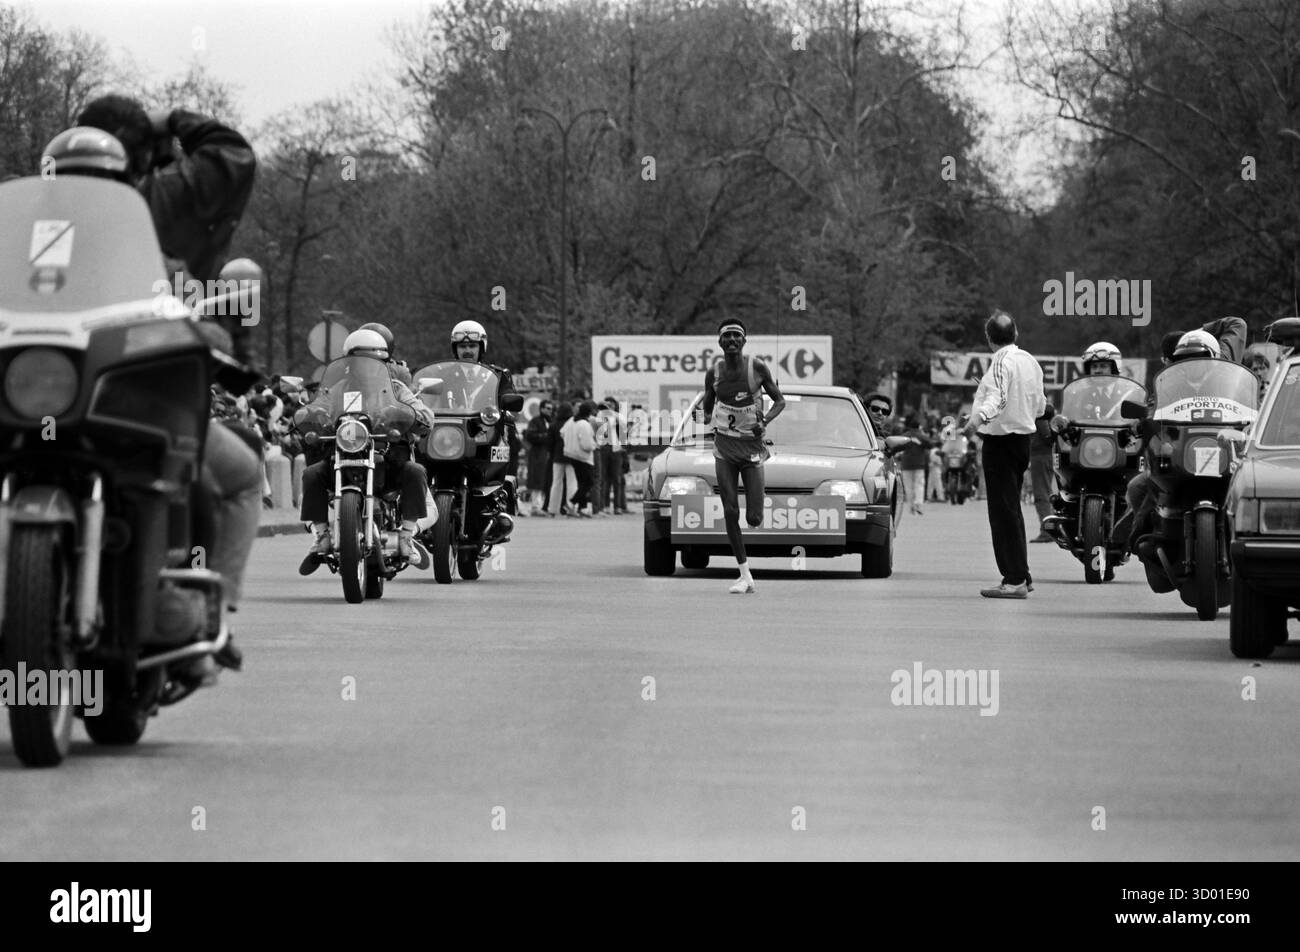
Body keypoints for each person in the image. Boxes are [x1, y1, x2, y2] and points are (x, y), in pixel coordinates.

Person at [54, 98, 259, 682]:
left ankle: (188, 618)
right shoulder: (143, 220)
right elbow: (232, 158)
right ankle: (209, 620)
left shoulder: (32, 228)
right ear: (135, 163)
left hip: (41, 402)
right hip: (125, 408)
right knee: (241, 476)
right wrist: (179, 121)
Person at [297, 329, 435, 574]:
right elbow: (319, 404)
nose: (367, 366)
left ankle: (405, 536)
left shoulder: (397, 389)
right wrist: (309, 413)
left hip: (387, 458)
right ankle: (321, 535)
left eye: (375, 361)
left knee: (415, 471)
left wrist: (405, 414)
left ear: (383, 362)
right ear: (350, 362)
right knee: (311, 474)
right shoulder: (337, 389)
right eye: (360, 360)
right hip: (343, 454)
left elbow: (423, 413)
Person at [1121, 318, 1249, 579]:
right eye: (1185, 360)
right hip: (1183, 458)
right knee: (1137, 487)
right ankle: (1151, 543)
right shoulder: (1170, 386)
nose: (1192, 365)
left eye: (1199, 359)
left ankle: (1253, 544)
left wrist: (1255, 418)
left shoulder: (1231, 377)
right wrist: (1144, 422)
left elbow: (1238, 325)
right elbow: (1152, 413)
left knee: (1253, 488)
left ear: (1213, 357)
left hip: (1226, 454)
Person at [964, 311, 1046, 598]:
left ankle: (1014, 579)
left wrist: (978, 419)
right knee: (1012, 509)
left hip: (1001, 441)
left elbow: (997, 397)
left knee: (1002, 512)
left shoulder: (1001, 361)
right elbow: (1039, 404)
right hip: (1022, 440)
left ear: (989, 338)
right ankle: (1021, 573)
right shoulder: (1030, 362)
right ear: (1016, 333)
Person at [702, 319, 786, 594]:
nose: (732, 341)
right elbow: (708, 398)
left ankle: (754, 517)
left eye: (737, 336)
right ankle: (744, 574)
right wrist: (707, 416)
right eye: (727, 337)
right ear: (720, 342)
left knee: (753, 518)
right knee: (729, 510)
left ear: (744, 341)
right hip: (724, 447)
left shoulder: (757, 367)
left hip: (750, 448)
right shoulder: (714, 371)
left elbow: (780, 400)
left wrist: (766, 420)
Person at [447, 319, 521, 515]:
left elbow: (508, 396)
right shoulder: (444, 374)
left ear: (481, 347)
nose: (468, 350)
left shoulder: (497, 375)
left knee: (510, 429)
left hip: (485, 433)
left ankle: (503, 492)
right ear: (456, 349)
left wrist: (505, 403)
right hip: (453, 435)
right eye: (463, 346)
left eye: (472, 345)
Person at [561, 402, 598, 516]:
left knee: (582, 483)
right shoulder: (584, 424)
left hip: (571, 455)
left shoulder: (572, 421)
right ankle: (572, 502)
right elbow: (587, 444)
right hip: (584, 457)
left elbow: (562, 433)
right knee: (589, 483)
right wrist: (594, 446)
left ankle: (582, 508)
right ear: (589, 412)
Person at [523, 399, 554, 514]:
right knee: (537, 480)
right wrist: (546, 436)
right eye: (547, 408)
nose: (550, 411)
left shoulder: (551, 421)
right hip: (537, 454)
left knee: (547, 481)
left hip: (548, 455)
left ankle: (545, 506)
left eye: (551, 408)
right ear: (541, 409)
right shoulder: (535, 421)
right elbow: (530, 435)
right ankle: (536, 507)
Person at [896, 415, 932, 516]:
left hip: (906, 465)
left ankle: (911, 505)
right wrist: (922, 436)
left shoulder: (904, 436)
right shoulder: (921, 436)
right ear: (918, 427)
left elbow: (897, 447)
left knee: (908, 486)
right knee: (919, 485)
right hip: (919, 464)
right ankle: (918, 504)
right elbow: (930, 444)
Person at [598, 397, 629, 514]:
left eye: (611, 405)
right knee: (604, 479)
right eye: (607, 405)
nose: (609, 407)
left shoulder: (618, 417)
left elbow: (623, 430)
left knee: (617, 479)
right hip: (604, 449)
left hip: (616, 450)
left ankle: (618, 506)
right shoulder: (600, 416)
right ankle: (604, 505)